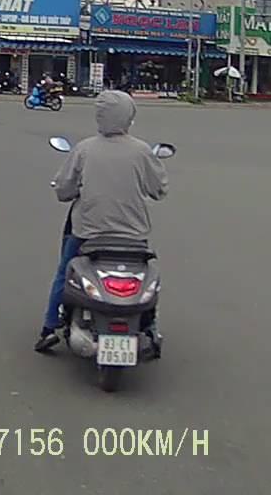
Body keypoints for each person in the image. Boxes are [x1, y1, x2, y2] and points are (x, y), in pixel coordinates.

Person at [35, 90, 169, 352]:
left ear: (99, 116)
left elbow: (63, 191)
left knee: (64, 273)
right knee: (147, 277)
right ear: (129, 116)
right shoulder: (142, 151)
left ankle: (49, 327)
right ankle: (150, 325)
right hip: (133, 236)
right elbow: (159, 190)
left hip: (88, 233)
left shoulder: (84, 149)